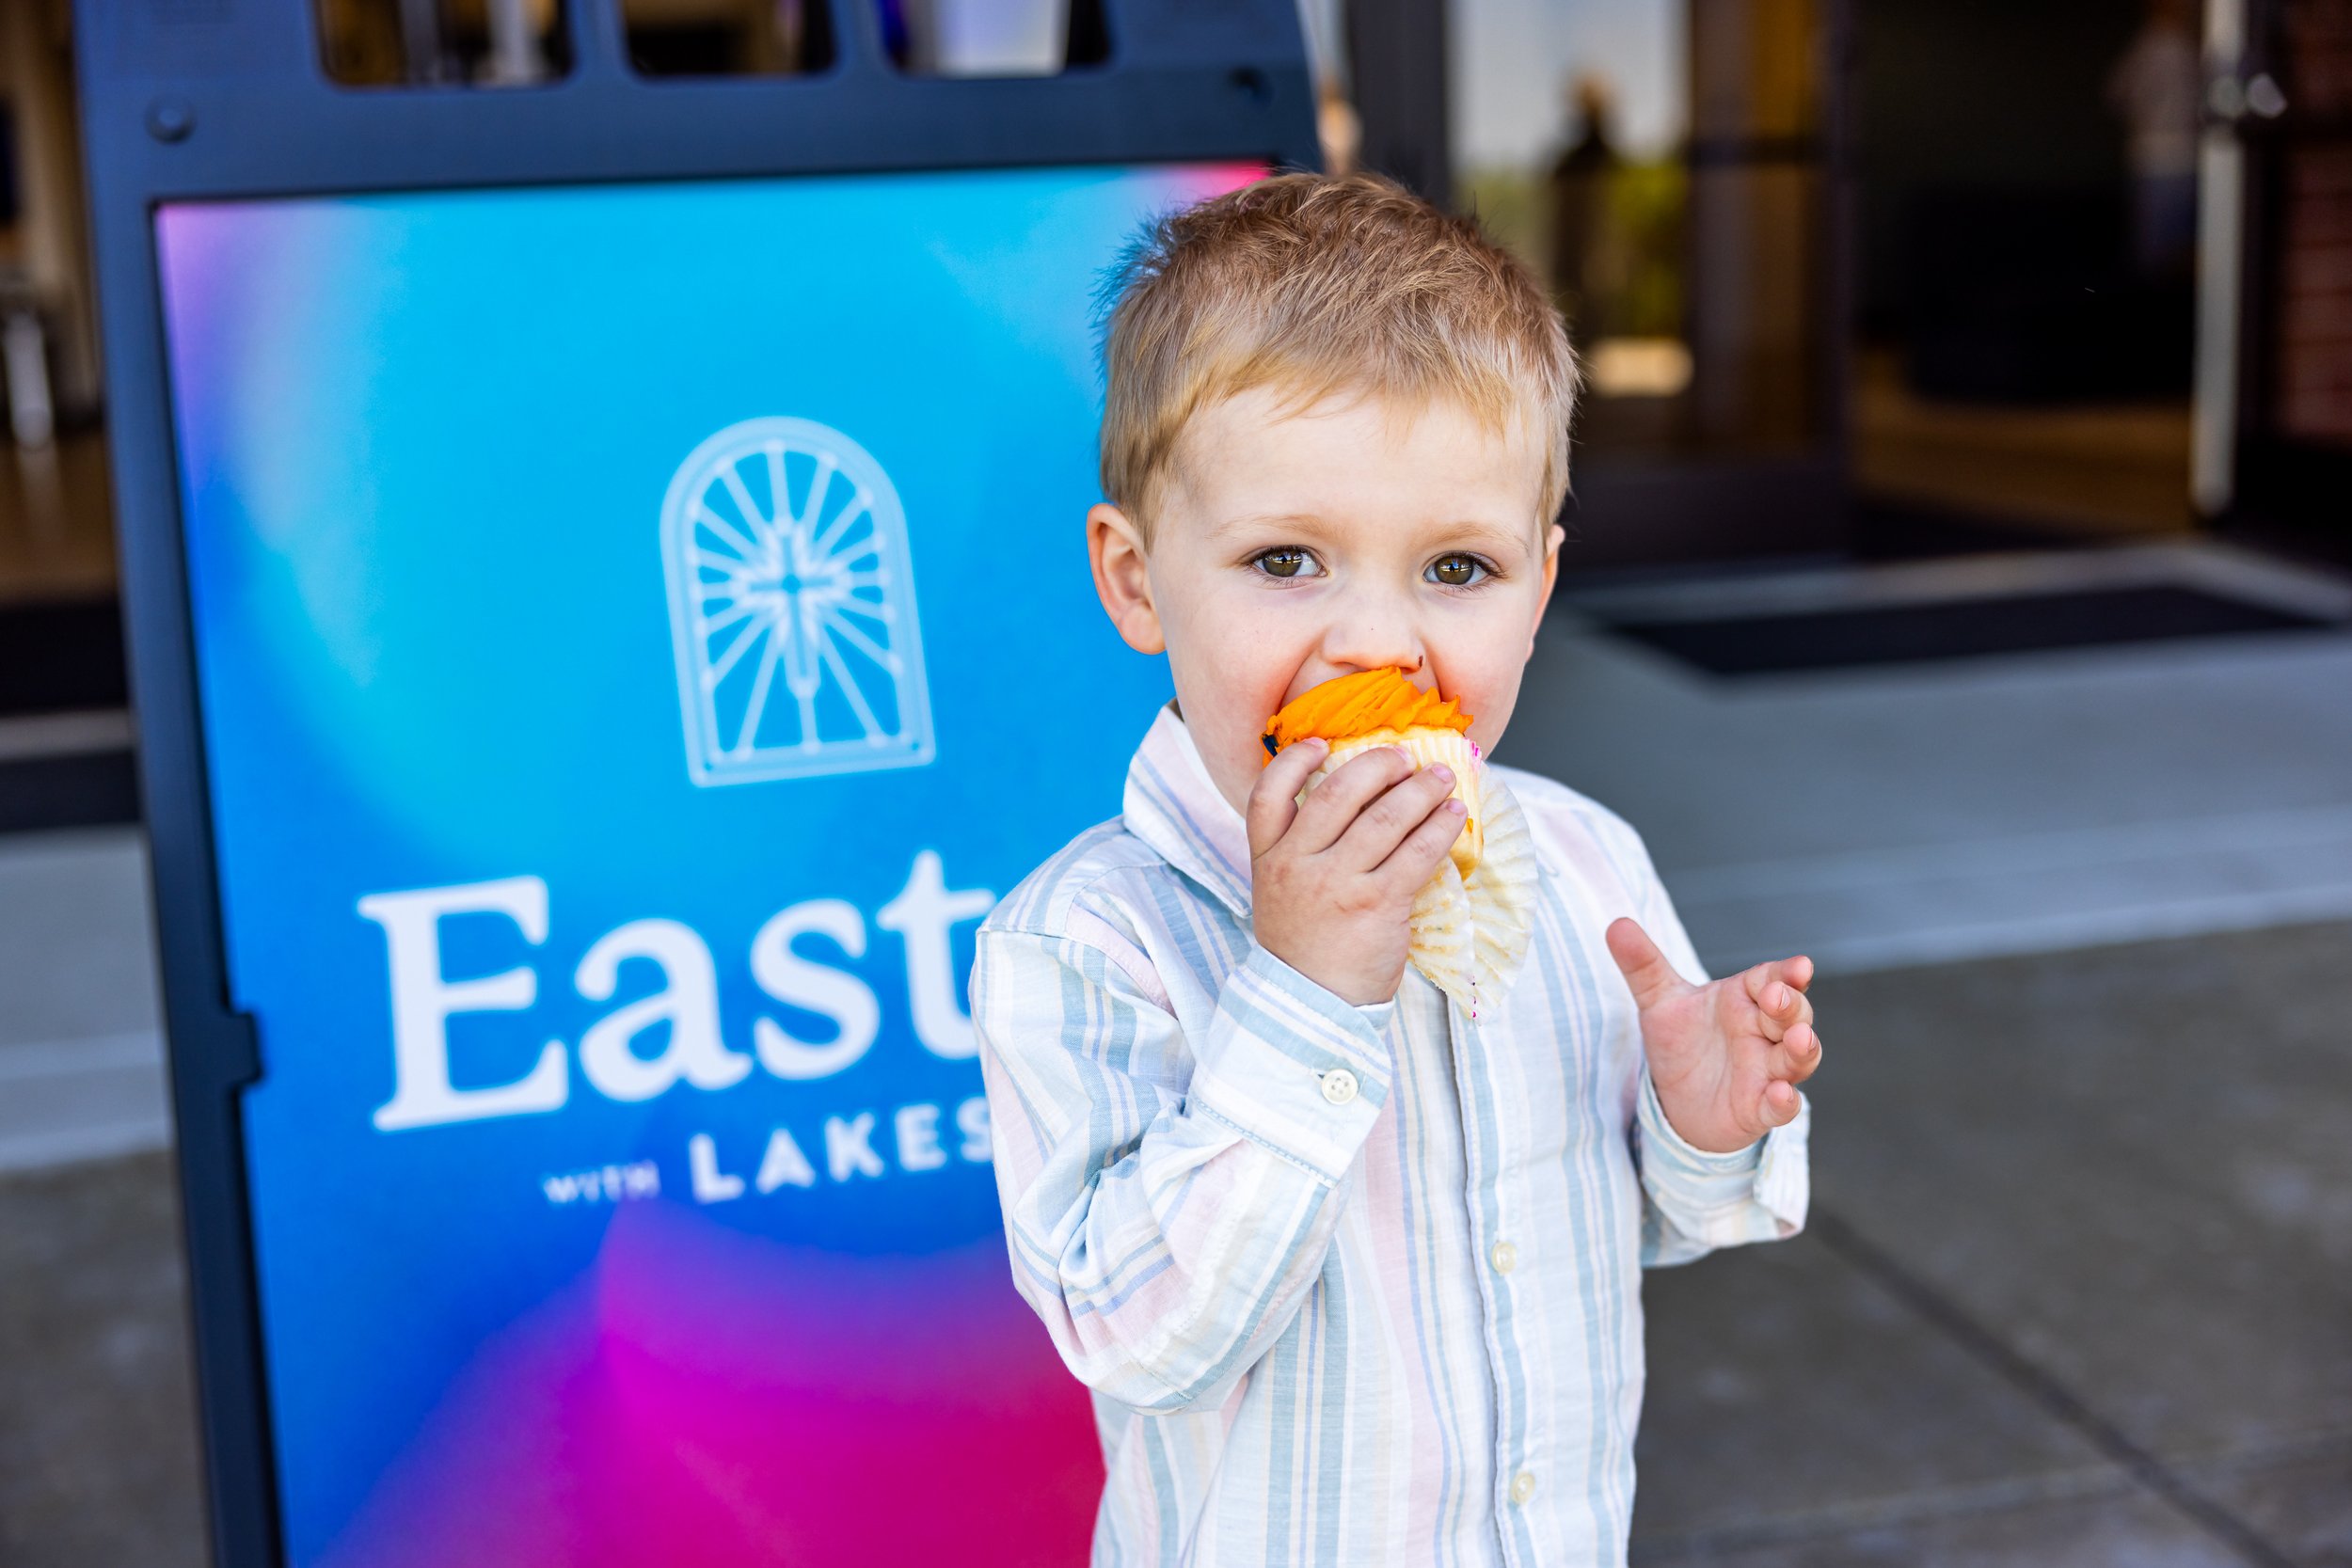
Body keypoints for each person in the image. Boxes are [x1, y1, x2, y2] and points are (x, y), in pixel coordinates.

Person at [971, 173, 1820, 1567]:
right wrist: (1305, 987)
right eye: (1287, 558)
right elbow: (1135, 1333)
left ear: (1539, 592)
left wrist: (1699, 1126)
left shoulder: (1587, 862)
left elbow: (1653, 1227)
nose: (1376, 640)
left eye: (1457, 569)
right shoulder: (1085, 940)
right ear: (1136, 580)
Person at [2106, 0, 2203, 281]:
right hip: (2167, 155)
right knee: (2163, 254)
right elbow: (2117, 94)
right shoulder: (2167, 46)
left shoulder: (2156, 46)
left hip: (2165, 156)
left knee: (2164, 251)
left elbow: (2116, 95)